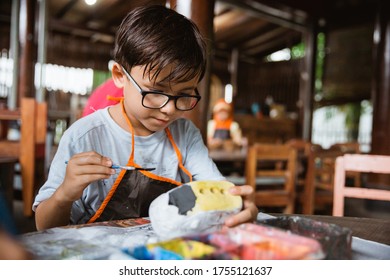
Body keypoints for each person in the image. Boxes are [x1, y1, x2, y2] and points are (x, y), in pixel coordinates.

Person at [33, 5, 258, 231]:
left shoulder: (185, 135)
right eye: (156, 92)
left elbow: (217, 187)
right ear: (120, 76)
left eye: (183, 95)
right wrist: (64, 195)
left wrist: (237, 203)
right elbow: (44, 227)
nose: (169, 109)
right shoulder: (83, 137)